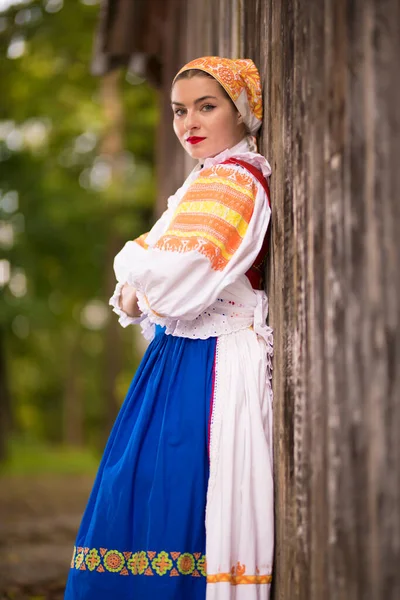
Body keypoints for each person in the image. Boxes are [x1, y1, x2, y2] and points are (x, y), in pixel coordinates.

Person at [64, 56, 274, 600]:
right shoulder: (205, 181)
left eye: (207, 107)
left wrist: (140, 279)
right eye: (180, 111)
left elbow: (174, 274)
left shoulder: (233, 180)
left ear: (242, 110)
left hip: (211, 362)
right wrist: (140, 278)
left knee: (177, 491)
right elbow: (144, 267)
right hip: (180, 352)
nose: (189, 123)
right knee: (145, 488)